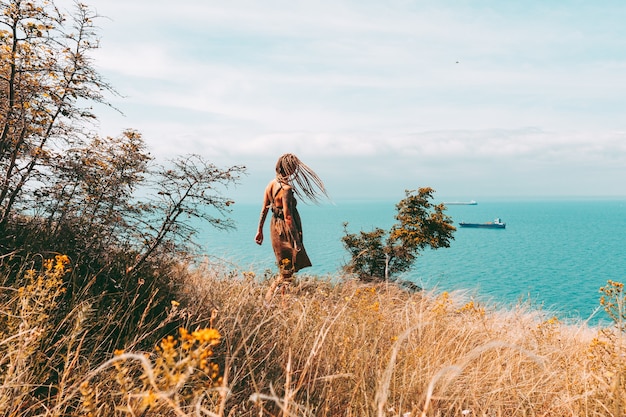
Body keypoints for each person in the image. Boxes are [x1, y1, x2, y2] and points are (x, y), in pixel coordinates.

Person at [255, 153, 327, 302]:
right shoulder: (286, 189)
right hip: (284, 231)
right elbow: (288, 217)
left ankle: (282, 303)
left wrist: (259, 230)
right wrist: (296, 240)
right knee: (286, 272)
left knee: (286, 269)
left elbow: (264, 209)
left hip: (274, 227)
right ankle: (268, 302)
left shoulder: (270, 184)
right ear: (290, 169)